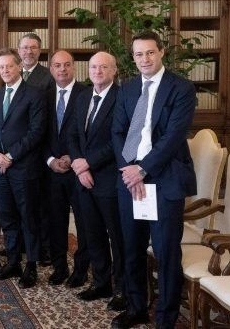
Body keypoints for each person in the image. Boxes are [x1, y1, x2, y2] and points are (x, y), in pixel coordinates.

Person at [111, 31, 197, 329]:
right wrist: (129, 169)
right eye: (139, 54)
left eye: (150, 52)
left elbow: (173, 137)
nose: (144, 59)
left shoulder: (181, 88)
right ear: (133, 58)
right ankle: (136, 308)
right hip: (130, 180)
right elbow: (118, 132)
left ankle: (165, 318)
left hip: (165, 179)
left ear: (162, 52)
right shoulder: (127, 89)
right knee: (131, 249)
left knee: (166, 253)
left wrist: (143, 169)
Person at [0, 48, 47, 289]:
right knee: (7, 217)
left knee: (28, 217)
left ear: (19, 66)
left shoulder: (35, 94)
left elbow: (36, 132)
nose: (5, 70)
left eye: (9, 66)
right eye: (1, 67)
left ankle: (31, 265)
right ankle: (13, 262)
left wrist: (10, 156)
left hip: (24, 168)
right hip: (0, 169)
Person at [68, 52, 126, 312]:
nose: (98, 71)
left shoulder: (121, 97)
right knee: (92, 234)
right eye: (93, 67)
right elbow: (72, 135)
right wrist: (79, 166)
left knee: (117, 237)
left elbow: (117, 140)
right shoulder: (82, 97)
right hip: (84, 178)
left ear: (114, 71)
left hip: (109, 178)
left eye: (104, 67)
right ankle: (101, 282)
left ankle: (122, 289)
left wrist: (87, 163)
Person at [44, 50, 91, 288]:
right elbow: (38, 133)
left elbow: (91, 132)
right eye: (57, 65)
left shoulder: (87, 93)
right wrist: (51, 159)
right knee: (56, 221)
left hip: (79, 169)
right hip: (52, 171)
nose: (62, 69)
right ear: (51, 69)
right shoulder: (44, 95)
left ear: (73, 67)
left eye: (66, 65)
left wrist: (73, 157)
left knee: (83, 222)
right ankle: (59, 266)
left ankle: (81, 270)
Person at [17, 32, 54, 266]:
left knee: (40, 204)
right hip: (16, 149)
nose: (28, 51)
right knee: (21, 202)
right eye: (25, 48)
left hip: (39, 148)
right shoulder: (13, 74)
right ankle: (22, 244)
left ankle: (44, 249)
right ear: (18, 51)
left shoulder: (47, 77)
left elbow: (48, 117)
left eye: (33, 48)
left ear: (39, 51)